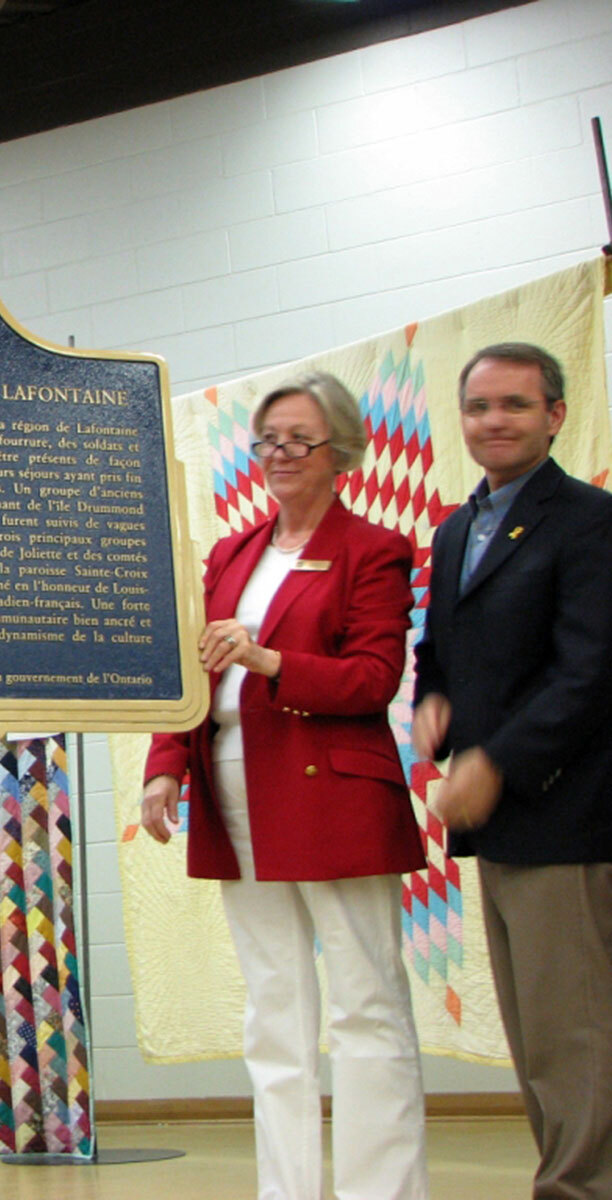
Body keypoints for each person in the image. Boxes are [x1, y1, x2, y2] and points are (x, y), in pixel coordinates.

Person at [141, 371, 428, 1200]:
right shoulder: (232, 551)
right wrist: (166, 764)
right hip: (236, 791)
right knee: (273, 1009)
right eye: (268, 440)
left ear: (340, 452)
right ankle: (288, 1190)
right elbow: (191, 670)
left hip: (336, 796)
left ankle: (384, 1190)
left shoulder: (373, 549)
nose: (280, 455)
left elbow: (373, 679)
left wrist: (267, 657)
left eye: (299, 440)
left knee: (365, 1004)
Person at [413, 342, 612, 1199]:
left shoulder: (590, 521)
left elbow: (591, 671)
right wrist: (432, 700)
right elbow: (442, 650)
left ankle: (578, 1189)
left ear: (555, 416)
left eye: (515, 406)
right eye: (480, 406)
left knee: (575, 1033)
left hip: (569, 813)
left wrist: (496, 762)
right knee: (535, 1035)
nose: (494, 422)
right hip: (495, 823)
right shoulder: (458, 528)